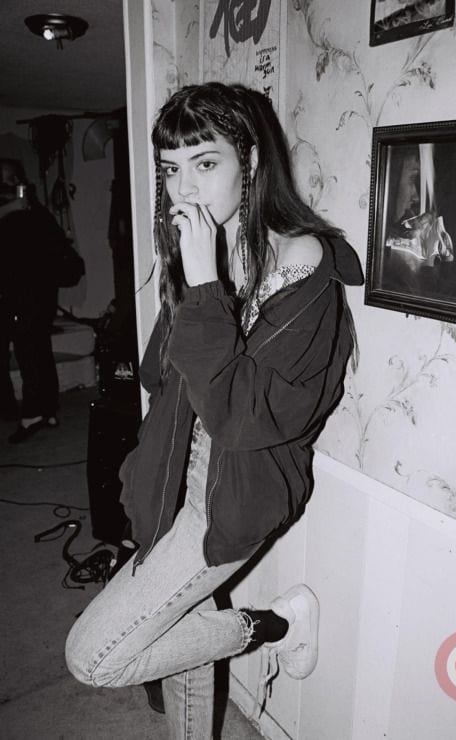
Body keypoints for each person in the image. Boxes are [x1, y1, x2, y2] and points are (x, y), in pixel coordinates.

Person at [65, 82, 363, 736]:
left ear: (250, 161)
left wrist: (204, 287)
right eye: (171, 169)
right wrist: (192, 278)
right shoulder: (214, 244)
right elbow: (163, 374)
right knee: (179, 643)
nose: (185, 188)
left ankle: (271, 625)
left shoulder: (302, 263)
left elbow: (242, 418)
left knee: (94, 657)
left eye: (205, 163)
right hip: (177, 471)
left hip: (235, 492)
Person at [0, 159, 65, 442]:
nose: (11, 183)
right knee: (37, 350)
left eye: (13, 178)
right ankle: (46, 410)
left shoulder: (30, 208)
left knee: (31, 352)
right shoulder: (17, 207)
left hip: (28, 291)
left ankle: (34, 413)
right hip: (29, 290)